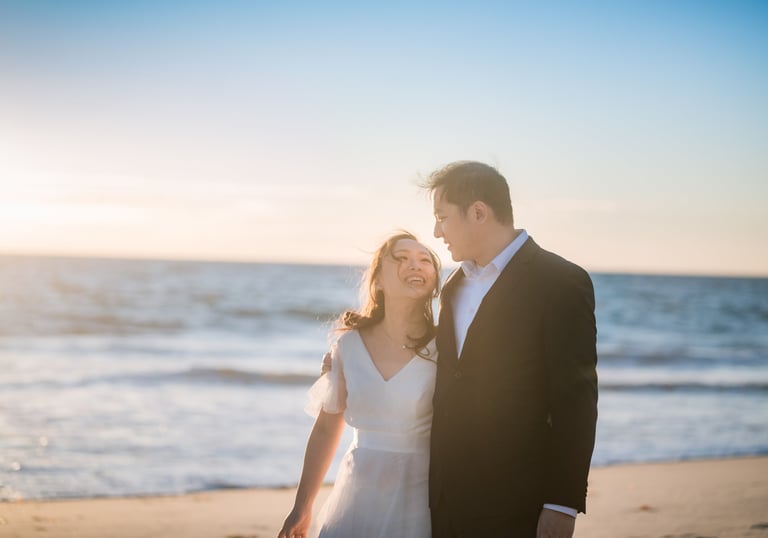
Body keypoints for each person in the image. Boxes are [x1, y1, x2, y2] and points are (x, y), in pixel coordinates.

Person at [423, 161, 598, 537]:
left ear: (479, 212)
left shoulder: (561, 282)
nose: (436, 231)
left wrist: (561, 503)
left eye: (442, 217)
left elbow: (576, 401)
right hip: (444, 501)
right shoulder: (452, 286)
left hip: (519, 502)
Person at [278, 231, 442, 538]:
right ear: (377, 279)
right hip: (357, 491)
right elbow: (327, 428)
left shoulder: (447, 346)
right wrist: (303, 505)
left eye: (424, 260)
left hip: (422, 496)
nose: (416, 265)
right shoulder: (348, 346)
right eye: (402, 259)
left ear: (434, 279)